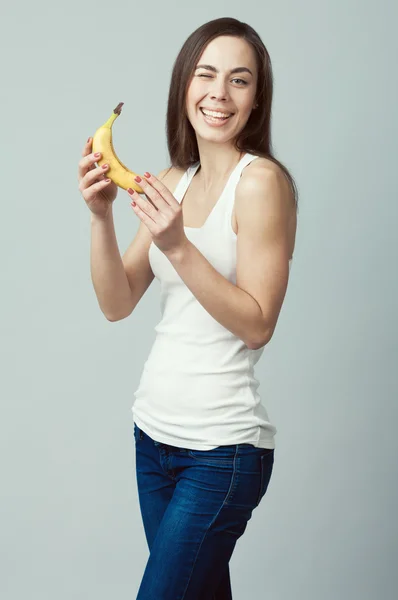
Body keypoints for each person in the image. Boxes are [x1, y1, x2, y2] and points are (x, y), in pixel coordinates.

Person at [78, 16, 298, 600]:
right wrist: (101, 217)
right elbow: (116, 303)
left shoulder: (262, 184)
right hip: (152, 437)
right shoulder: (173, 180)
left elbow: (258, 324)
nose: (219, 94)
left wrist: (177, 244)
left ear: (257, 99)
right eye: (206, 75)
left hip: (221, 452)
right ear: (185, 87)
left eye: (239, 80)